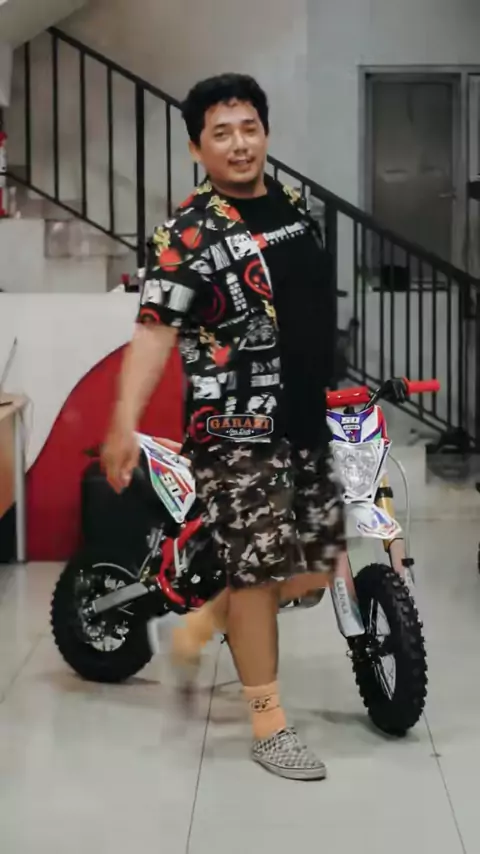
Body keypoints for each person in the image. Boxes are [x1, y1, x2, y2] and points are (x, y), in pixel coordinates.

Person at [102, 73, 346, 781]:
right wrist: (122, 421)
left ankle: (208, 616)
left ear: (264, 133)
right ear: (196, 148)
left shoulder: (294, 206)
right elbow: (153, 332)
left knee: (312, 570)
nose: (239, 144)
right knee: (260, 572)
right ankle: (269, 726)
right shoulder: (186, 233)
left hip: (306, 415)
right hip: (236, 426)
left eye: (249, 128)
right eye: (221, 133)